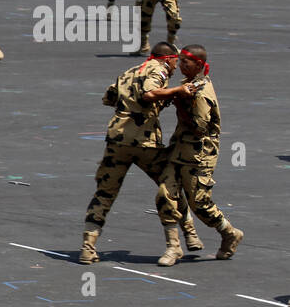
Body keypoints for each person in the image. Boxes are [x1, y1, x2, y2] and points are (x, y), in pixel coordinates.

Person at [80, 43, 195, 264]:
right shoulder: (158, 70)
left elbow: (108, 97)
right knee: (169, 185)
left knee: (104, 193)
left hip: (117, 140)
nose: (176, 65)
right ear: (167, 58)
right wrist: (176, 91)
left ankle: (88, 247)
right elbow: (150, 93)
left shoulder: (130, 71)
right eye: (175, 60)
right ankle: (181, 239)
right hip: (144, 141)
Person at [154, 46, 243, 265]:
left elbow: (199, 127)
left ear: (200, 66)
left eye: (187, 62)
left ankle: (229, 233)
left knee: (200, 204)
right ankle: (173, 248)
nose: (182, 64)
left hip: (199, 154)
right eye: (181, 60)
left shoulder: (202, 92)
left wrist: (179, 102)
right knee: (165, 196)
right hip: (179, 149)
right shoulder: (187, 85)